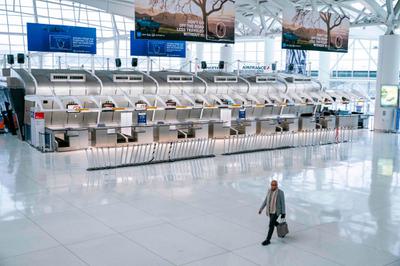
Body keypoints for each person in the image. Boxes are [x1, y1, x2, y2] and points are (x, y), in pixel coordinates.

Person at [258, 180, 286, 246]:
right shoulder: (269, 191)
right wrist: (261, 209)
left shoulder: (280, 192)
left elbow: (283, 203)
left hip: (276, 211)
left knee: (271, 225)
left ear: (277, 185)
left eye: (275, 185)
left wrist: (283, 213)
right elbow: (265, 201)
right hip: (270, 210)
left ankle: (268, 240)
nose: (273, 186)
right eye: (272, 185)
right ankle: (282, 232)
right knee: (273, 222)